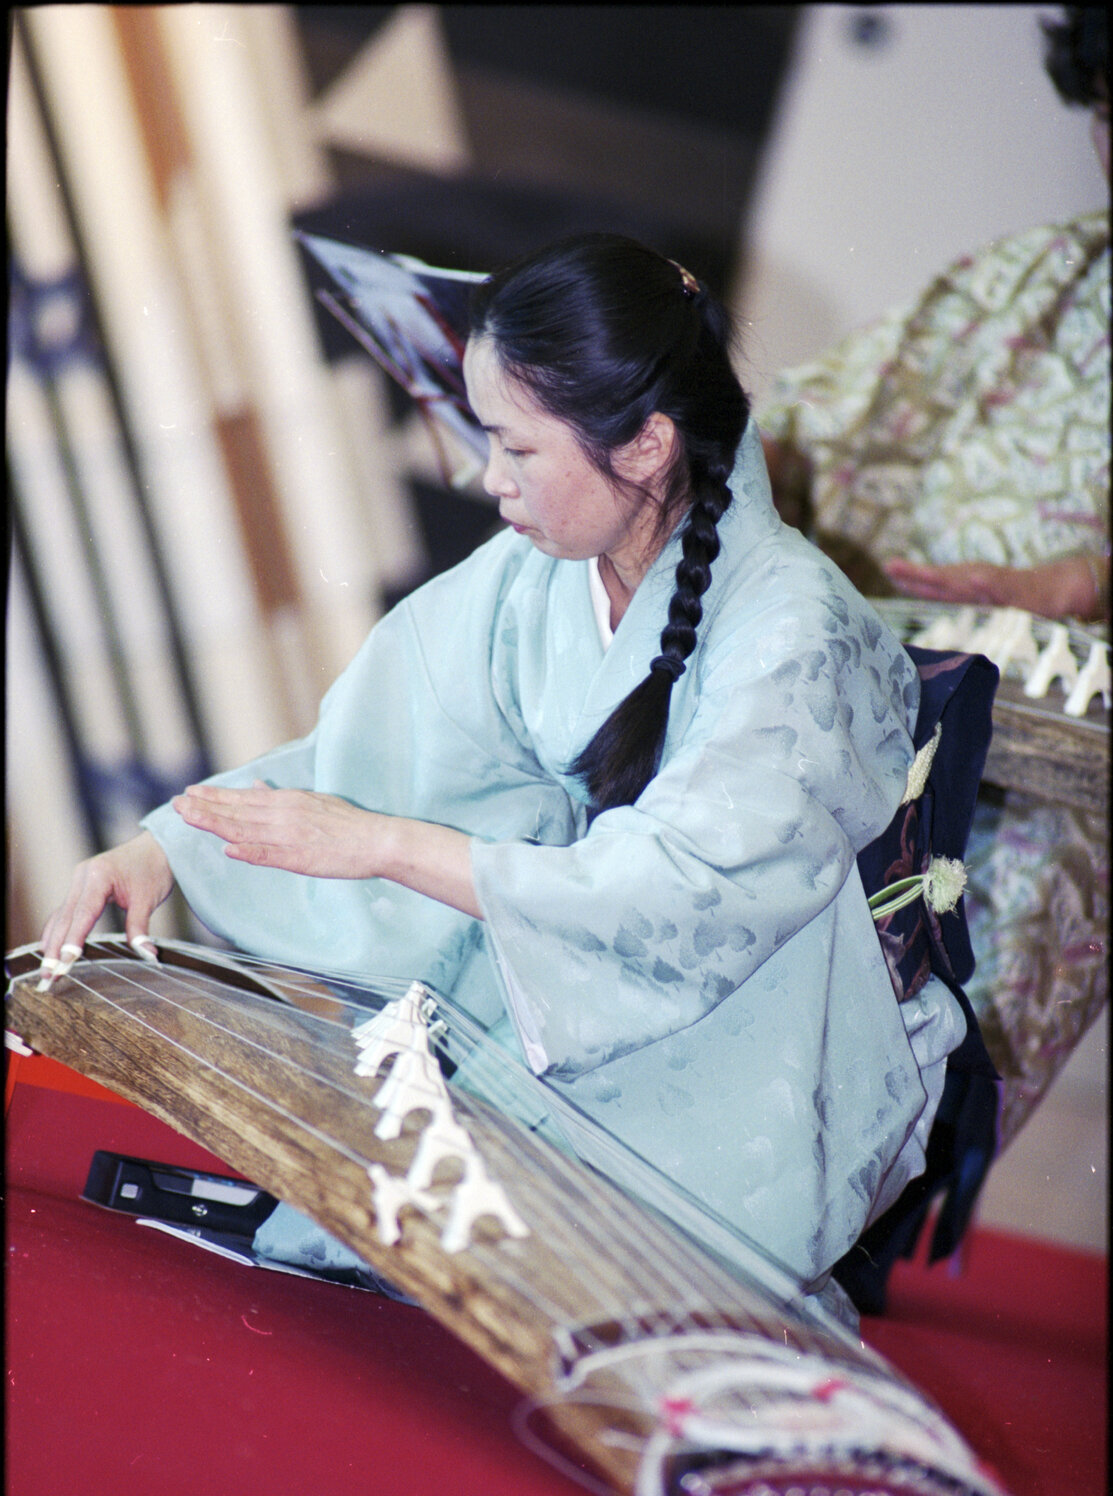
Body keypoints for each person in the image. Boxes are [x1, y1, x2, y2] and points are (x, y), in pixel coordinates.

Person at [41, 233, 969, 1315]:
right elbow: (374, 759)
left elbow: (677, 893)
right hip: (548, 1026)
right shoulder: (535, 577)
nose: (490, 481)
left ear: (645, 447)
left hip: (740, 1069)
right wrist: (170, 844)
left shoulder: (791, 628)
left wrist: (385, 848)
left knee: (493, 1246)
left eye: (516, 450)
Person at [756, 6, 1109, 1157]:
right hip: (913, 705)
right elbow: (802, 425)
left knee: (908, 1088)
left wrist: (1088, 579)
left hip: (1067, 786)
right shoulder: (1041, 283)